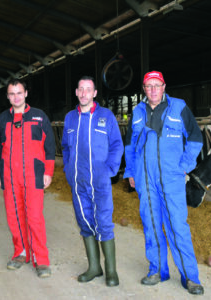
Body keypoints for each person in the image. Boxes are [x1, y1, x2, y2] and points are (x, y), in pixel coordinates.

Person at [124, 71, 204, 295]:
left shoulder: (179, 107)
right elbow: (129, 146)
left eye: (156, 85)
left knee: (178, 226)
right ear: (143, 88)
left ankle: (190, 277)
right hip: (145, 179)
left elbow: (196, 138)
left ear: (164, 86)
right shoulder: (137, 112)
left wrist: (186, 164)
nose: (153, 90)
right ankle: (157, 270)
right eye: (148, 86)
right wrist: (131, 172)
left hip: (171, 178)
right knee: (150, 224)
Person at [62, 76, 124, 287]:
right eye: (81, 89)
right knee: (84, 222)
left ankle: (111, 271)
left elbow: (117, 145)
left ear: (95, 93)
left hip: (100, 180)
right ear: (77, 92)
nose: (84, 93)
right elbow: (66, 147)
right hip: (78, 181)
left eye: (88, 89)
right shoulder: (70, 118)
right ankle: (94, 268)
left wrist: (109, 170)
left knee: (104, 222)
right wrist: (68, 170)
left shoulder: (106, 116)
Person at [0, 78, 55, 278]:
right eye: (12, 94)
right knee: (14, 216)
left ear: (26, 93)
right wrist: (0, 174)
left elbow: (50, 148)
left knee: (35, 217)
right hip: (10, 176)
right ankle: (21, 253)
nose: (16, 97)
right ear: (7, 96)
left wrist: (48, 172)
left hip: (34, 174)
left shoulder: (39, 116)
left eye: (19, 93)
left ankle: (41, 260)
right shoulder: (3, 118)